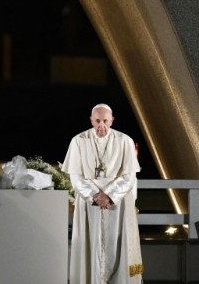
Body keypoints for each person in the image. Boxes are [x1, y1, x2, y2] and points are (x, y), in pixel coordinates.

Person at [62, 103, 143, 283]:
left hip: (117, 203)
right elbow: (75, 176)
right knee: (90, 245)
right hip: (90, 203)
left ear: (112, 120)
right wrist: (95, 195)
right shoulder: (78, 141)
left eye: (105, 121)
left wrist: (110, 196)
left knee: (119, 246)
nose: (101, 125)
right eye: (97, 121)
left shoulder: (125, 141)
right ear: (91, 120)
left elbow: (129, 177)